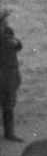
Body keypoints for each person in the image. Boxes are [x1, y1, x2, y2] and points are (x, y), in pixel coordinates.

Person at [0, 9, 20, 141]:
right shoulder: (5, 36)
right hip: (4, 77)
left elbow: (16, 46)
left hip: (9, 77)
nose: (6, 23)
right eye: (3, 22)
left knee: (9, 107)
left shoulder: (8, 33)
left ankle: (9, 133)